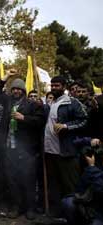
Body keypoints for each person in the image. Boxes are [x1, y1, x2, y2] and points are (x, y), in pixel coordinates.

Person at [0, 74, 45, 220]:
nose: (16, 91)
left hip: (26, 151)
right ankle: (16, 207)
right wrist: (5, 78)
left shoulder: (32, 104)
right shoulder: (8, 101)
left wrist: (24, 118)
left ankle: (30, 209)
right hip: (9, 150)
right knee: (12, 180)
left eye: (18, 89)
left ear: (23, 91)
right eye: (13, 89)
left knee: (28, 180)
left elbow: (40, 121)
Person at [44, 76, 87, 217]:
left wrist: (66, 126)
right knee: (54, 186)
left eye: (57, 85)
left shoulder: (72, 102)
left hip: (66, 152)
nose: (54, 88)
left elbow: (84, 121)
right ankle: (57, 214)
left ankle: (75, 217)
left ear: (63, 86)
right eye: (52, 85)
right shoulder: (51, 103)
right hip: (50, 152)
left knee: (71, 187)